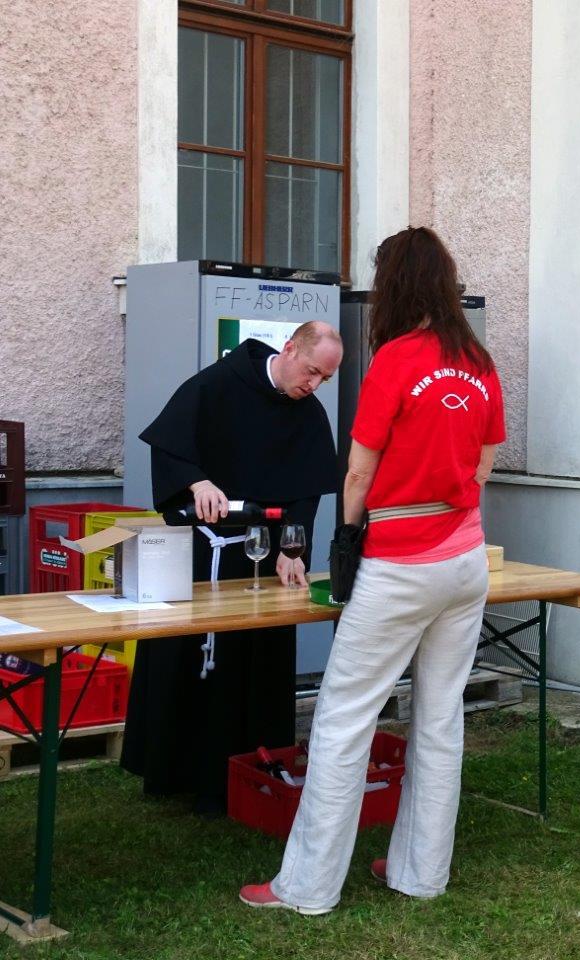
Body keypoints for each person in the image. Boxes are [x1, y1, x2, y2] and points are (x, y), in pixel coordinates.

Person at [240, 226, 505, 914]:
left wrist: (348, 536)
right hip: (465, 557)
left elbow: (358, 472)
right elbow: (484, 462)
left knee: (343, 718)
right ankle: (421, 873)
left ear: (393, 285)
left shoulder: (393, 359)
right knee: (441, 717)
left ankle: (307, 887)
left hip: (400, 561)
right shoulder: (478, 361)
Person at [121, 321, 342, 816]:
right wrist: (197, 482)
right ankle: (182, 775)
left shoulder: (308, 413)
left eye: (324, 379)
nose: (314, 385)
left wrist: (294, 548)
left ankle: (254, 773)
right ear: (290, 349)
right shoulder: (217, 384)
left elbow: (307, 493)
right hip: (207, 555)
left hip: (264, 558)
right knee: (192, 663)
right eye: (311, 372)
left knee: (256, 666)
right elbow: (170, 444)